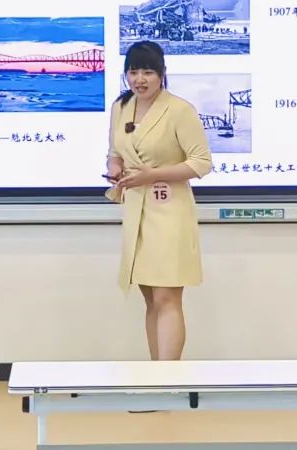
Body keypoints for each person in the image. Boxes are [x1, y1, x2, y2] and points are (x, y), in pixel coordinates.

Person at [104, 40, 212, 361]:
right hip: (136, 212)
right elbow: (115, 151)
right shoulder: (121, 107)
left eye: (148, 72)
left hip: (169, 212)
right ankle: (156, 374)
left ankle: (169, 377)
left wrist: (151, 175)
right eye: (133, 71)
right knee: (150, 298)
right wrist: (115, 168)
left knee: (167, 297)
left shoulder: (179, 110)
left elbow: (201, 163)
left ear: (162, 73)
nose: (140, 79)